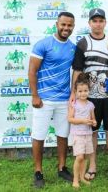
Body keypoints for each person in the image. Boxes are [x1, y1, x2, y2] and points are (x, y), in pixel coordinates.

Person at [71, 8, 108, 180]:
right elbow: (78, 70)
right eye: (94, 20)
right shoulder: (83, 43)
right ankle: (92, 167)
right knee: (92, 132)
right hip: (90, 98)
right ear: (89, 23)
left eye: (101, 20)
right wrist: (74, 92)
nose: (97, 23)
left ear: (105, 23)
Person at [28, 12, 76, 188]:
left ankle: (62, 168)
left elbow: (76, 72)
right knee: (39, 135)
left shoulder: (72, 47)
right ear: (57, 24)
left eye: (69, 25)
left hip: (64, 99)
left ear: (73, 26)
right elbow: (32, 71)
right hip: (44, 100)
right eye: (63, 24)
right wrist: (35, 95)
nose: (66, 28)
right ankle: (38, 172)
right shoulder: (43, 44)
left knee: (62, 135)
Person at [67, 73, 97, 188]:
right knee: (79, 157)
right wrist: (83, 121)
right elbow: (70, 119)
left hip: (88, 134)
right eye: (80, 91)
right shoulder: (74, 104)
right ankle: (75, 179)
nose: (83, 93)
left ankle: (82, 177)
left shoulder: (91, 105)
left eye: (85, 91)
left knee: (85, 157)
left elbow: (93, 119)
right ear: (75, 91)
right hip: (77, 135)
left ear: (89, 91)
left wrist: (94, 122)